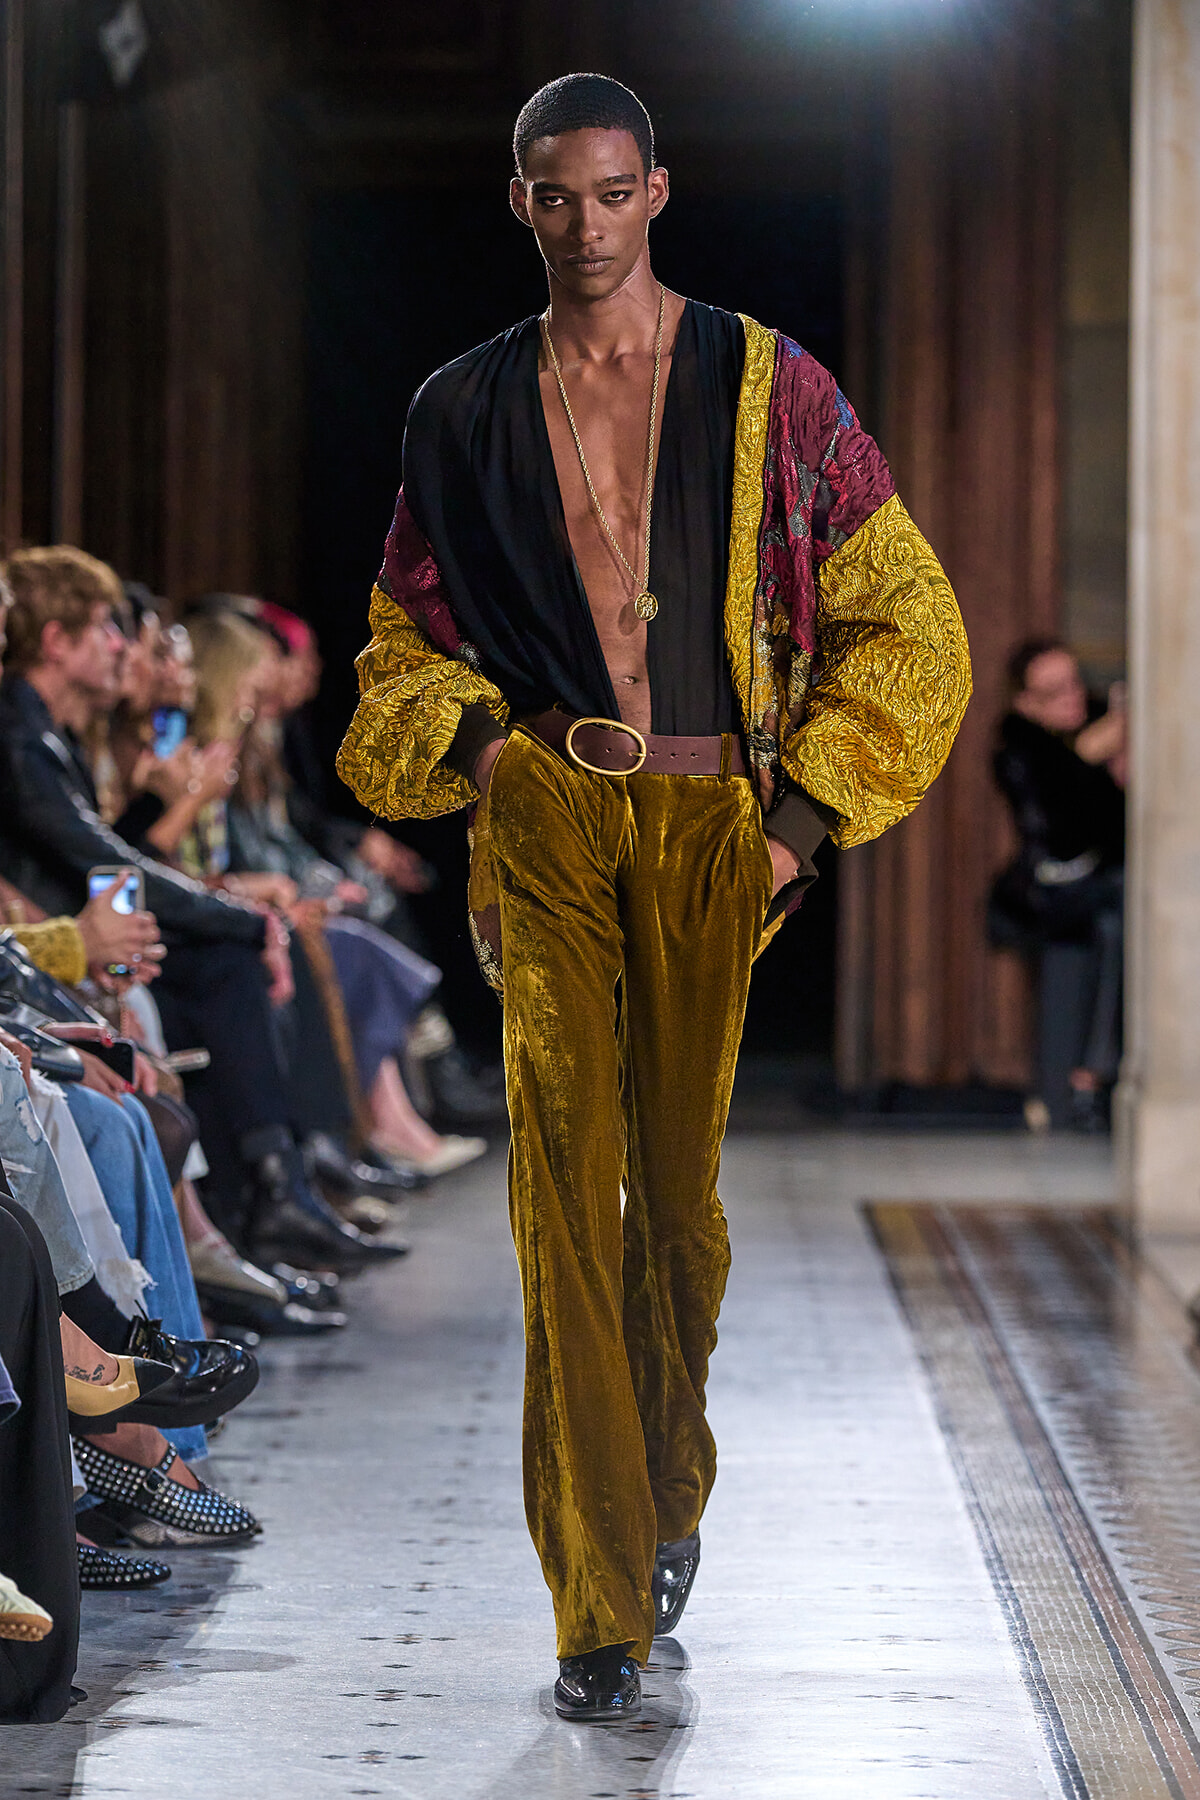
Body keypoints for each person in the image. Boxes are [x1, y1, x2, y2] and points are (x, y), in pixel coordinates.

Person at [338, 73, 971, 1719]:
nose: (586, 224)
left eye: (613, 193)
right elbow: (401, 642)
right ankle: (595, 1601)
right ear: (520, 201)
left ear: (658, 192)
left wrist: (798, 828)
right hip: (549, 807)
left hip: (710, 819)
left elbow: (908, 615)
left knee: (677, 1212)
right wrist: (490, 761)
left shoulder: (771, 385)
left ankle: (664, 1492)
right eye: (556, 196)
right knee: (562, 1188)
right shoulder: (460, 407)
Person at [990, 637, 1125, 1131]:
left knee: (1120, 918)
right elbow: (1063, 831)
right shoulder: (1019, 748)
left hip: (1099, 884)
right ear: (1026, 702)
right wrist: (1092, 755)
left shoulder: (1098, 724)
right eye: (1054, 691)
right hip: (1048, 889)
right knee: (1111, 919)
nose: (1072, 698)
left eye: (1074, 684)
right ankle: (1083, 1079)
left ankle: (1090, 1077)